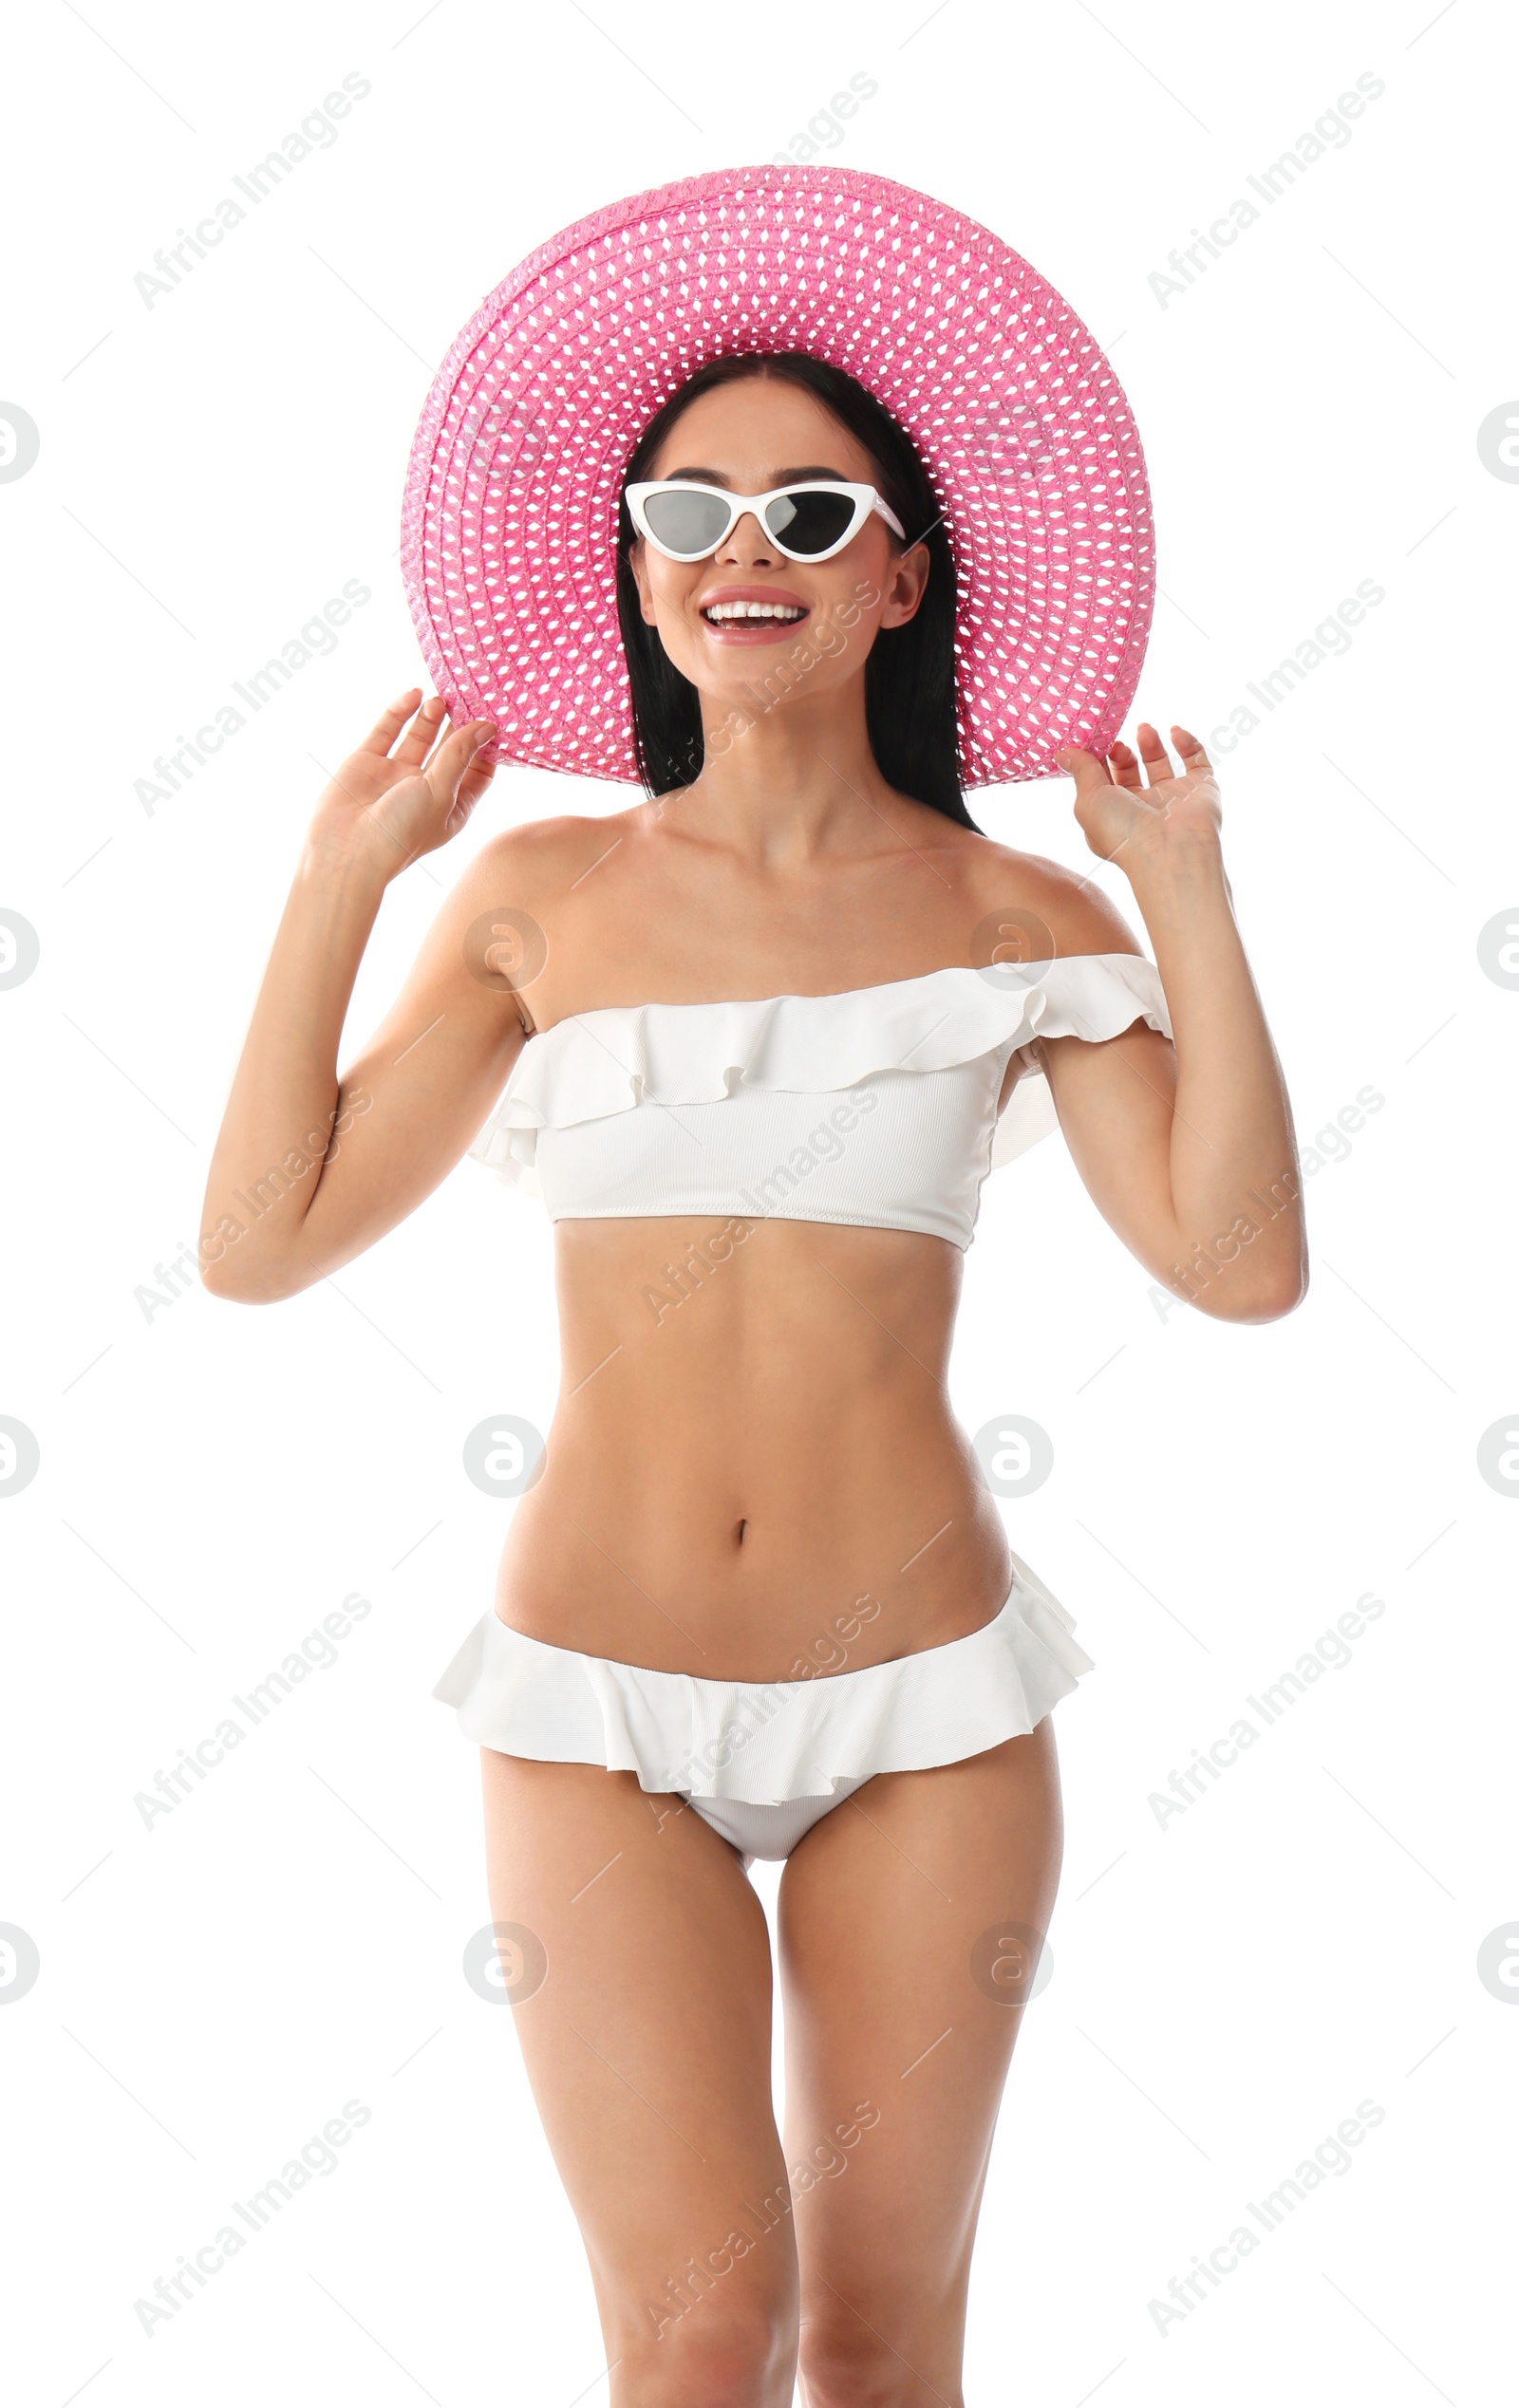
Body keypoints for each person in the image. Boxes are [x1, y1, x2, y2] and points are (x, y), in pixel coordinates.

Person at [201, 169, 1305, 2408]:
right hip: (593, 1704)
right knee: (703, 2331)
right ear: (630, 569)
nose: (746, 550)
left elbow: (1240, 1270)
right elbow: (260, 1248)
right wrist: (334, 885)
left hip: (927, 1706)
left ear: (901, 574)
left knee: (882, 2346)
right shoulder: (534, 896)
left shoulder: (1017, 914)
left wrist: (1178, 901)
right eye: (687, 506)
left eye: (814, 514)